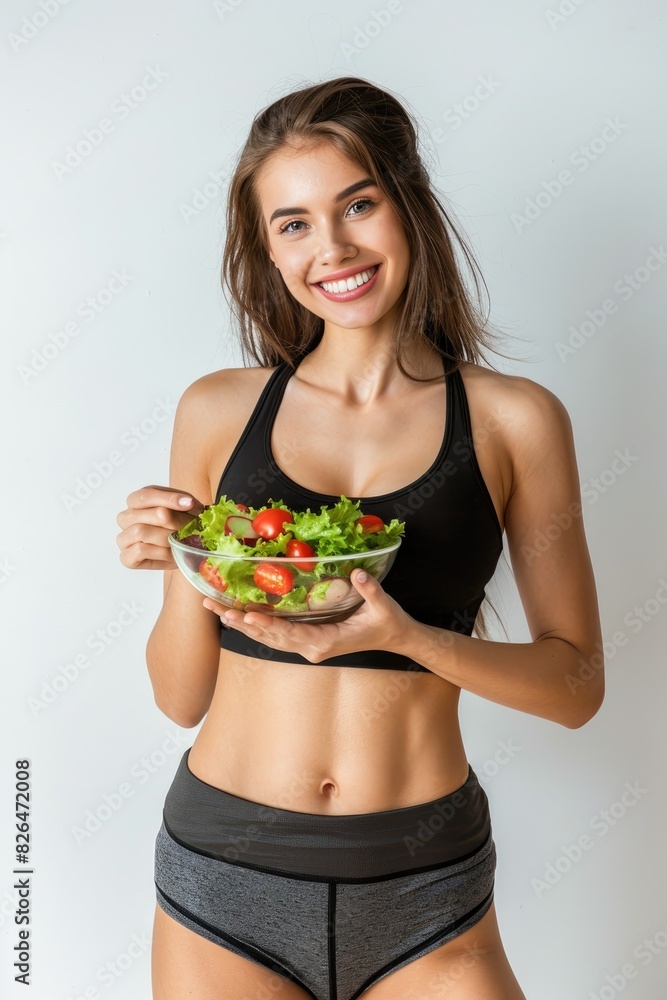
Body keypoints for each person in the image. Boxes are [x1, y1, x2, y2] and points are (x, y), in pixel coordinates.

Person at [116, 76, 604, 1000]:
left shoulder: (513, 421)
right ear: (265, 249)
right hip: (226, 878)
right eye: (292, 223)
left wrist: (409, 638)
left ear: (408, 203)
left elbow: (576, 687)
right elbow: (180, 698)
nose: (331, 248)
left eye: (358, 204)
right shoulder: (218, 409)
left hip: (428, 889)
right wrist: (186, 560)